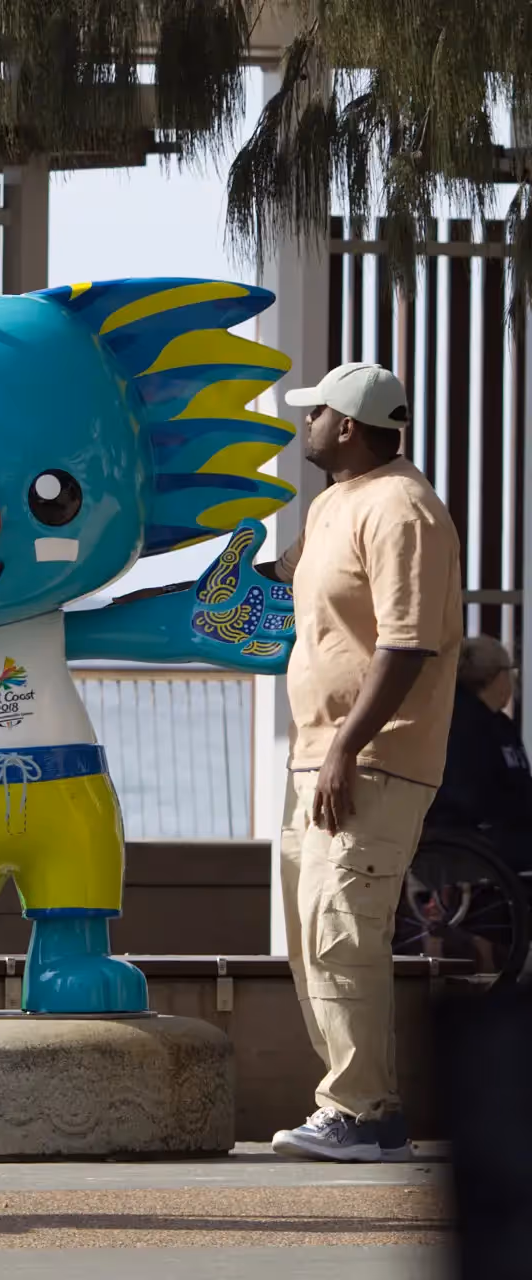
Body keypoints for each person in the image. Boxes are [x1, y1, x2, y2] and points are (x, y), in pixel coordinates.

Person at [260, 362, 463, 1163]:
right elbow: (299, 583)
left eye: (314, 415)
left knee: (346, 930)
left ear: (348, 425)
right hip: (317, 756)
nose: (303, 426)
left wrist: (347, 746)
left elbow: (408, 643)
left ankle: (360, 1109)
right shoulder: (335, 504)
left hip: (370, 759)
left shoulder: (404, 509)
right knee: (311, 937)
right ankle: (359, 1109)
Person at [426, 634, 532, 854]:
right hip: (480, 842)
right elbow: (470, 796)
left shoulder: (500, 723)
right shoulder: (461, 724)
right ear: (497, 675)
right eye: (510, 671)